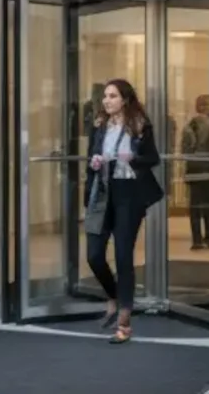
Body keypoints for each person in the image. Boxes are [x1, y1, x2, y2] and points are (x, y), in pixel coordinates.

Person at [85, 79, 162, 344]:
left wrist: (133, 159)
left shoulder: (139, 125)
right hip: (103, 192)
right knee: (94, 255)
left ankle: (124, 323)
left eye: (112, 96)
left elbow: (153, 158)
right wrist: (94, 163)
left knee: (123, 257)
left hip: (129, 195)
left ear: (125, 100)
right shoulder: (99, 125)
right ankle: (113, 296)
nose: (106, 101)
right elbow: (91, 158)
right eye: (105, 96)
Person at [182, 95, 209, 249]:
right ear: (207, 107)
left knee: (195, 206)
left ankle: (197, 240)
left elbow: (185, 150)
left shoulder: (189, 126)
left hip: (194, 170)